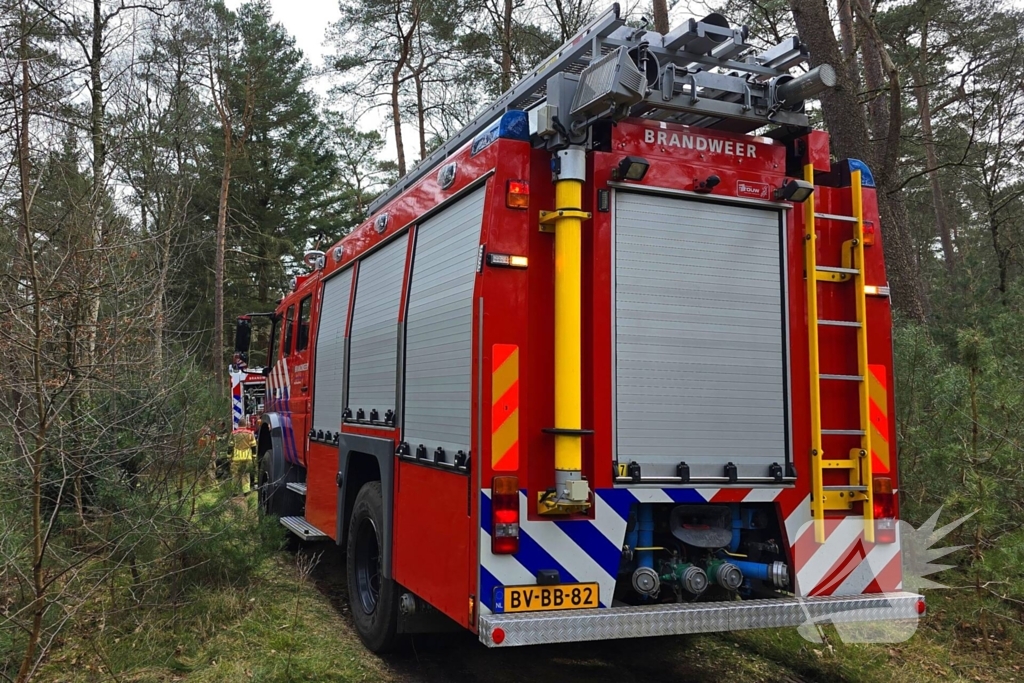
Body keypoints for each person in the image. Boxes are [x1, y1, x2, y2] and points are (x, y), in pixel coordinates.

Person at [231, 425, 257, 493]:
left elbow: (230, 446)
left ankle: (235, 491)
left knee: (235, 475)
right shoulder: (250, 433)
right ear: (245, 425)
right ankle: (246, 491)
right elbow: (253, 445)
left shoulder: (234, 433)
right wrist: (254, 456)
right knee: (246, 474)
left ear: (239, 425)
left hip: (236, 457)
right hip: (247, 457)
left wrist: (229, 456)